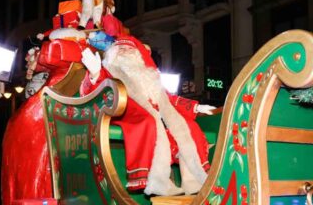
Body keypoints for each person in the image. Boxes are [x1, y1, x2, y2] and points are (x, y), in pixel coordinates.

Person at [80, 35, 215, 196]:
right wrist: (95, 74)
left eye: (130, 49)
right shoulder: (110, 72)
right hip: (125, 113)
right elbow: (98, 89)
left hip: (157, 116)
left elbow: (169, 99)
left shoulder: (149, 76)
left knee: (187, 126)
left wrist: (197, 107)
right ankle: (159, 182)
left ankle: (192, 182)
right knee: (149, 123)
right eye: (120, 50)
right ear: (113, 55)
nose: (125, 52)